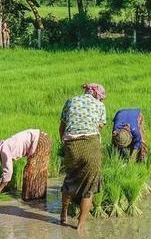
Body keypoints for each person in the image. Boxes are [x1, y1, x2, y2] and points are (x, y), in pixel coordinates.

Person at [59, 83, 106, 233]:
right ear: (97, 95)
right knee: (89, 188)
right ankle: (80, 226)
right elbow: (100, 127)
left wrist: (64, 144)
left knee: (70, 178)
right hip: (91, 145)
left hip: (71, 144)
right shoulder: (99, 106)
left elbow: (62, 127)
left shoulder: (71, 101)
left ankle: (64, 214)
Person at [0, 129, 52, 201]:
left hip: (40, 141)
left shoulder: (4, 149)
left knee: (30, 173)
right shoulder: (4, 147)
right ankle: (35, 199)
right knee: (32, 173)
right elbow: (5, 172)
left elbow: (8, 173)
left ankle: (34, 200)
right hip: (40, 138)